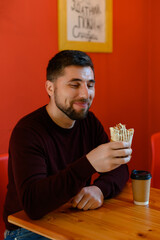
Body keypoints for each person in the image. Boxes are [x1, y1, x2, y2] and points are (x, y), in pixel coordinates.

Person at [3, 50, 132, 239]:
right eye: (74, 85)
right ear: (50, 88)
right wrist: (88, 164)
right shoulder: (28, 132)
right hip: (26, 229)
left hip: (73, 218)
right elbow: (33, 205)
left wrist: (99, 189)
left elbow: (119, 168)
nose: (85, 94)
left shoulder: (88, 122)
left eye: (90, 85)